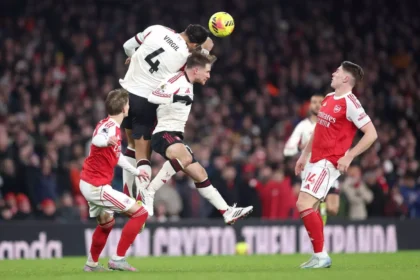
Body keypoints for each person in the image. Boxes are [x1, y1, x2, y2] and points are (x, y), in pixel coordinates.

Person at [140, 52, 253, 223]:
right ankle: (150, 190)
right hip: (163, 134)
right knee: (184, 157)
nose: (209, 75)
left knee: (200, 174)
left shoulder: (189, 81)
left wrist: (208, 55)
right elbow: (153, 96)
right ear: (195, 70)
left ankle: (227, 211)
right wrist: (176, 97)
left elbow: (199, 59)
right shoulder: (176, 80)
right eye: (206, 71)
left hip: (175, 135)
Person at [294, 61, 377, 269]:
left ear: (346, 79)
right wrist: (304, 155)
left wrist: (349, 156)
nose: (333, 73)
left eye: (338, 71)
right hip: (314, 160)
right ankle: (318, 254)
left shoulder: (351, 103)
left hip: (328, 162)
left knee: (303, 204)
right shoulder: (330, 98)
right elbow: (318, 131)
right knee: (310, 207)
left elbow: (371, 134)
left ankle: (322, 256)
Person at [119, 24, 214, 200]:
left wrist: (133, 57)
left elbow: (127, 46)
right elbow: (196, 70)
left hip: (125, 93)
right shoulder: (184, 57)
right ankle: (141, 199)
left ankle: (126, 192)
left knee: (131, 145)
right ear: (194, 45)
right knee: (143, 154)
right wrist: (207, 51)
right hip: (144, 101)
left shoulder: (156, 29)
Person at [80, 89, 149, 272]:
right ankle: (118, 259)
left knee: (106, 223)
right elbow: (97, 139)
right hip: (97, 187)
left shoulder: (109, 125)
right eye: (128, 104)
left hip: (89, 182)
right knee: (140, 213)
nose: (129, 107)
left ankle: (91, 265)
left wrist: (136, 171)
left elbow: (117, 157)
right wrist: (105, 141)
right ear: (124, 108)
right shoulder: (109, 128)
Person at [284, 94, 340, 224]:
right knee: (311, 209)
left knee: (333, 209)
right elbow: (288, 149)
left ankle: (322, 206)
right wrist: (300, 147)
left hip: (329, 170)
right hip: (311, 172)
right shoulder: (302, 127)